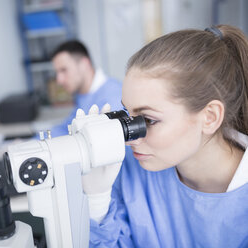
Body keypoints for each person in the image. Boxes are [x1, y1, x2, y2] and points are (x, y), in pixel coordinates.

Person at [84, 24, 248, 247]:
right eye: (128, 115)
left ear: (210, 117)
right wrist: (97, 201)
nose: (132, 138)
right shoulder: (134, 170)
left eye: (149, 120)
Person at [50, 40, 122, 137]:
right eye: (57, 72)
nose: (59, 80)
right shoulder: (84, 95)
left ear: (84, 64)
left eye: (64, 70)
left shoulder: (114, 98)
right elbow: (66, 128)